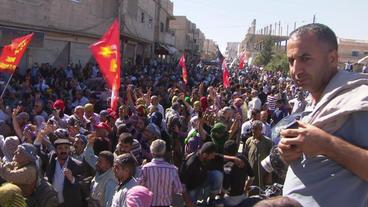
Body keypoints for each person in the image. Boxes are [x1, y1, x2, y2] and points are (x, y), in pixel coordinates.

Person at [279, 23, 368, 206]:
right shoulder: (314, 104)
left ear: (332, 58)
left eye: (305, 58)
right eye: (291, 61)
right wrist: (289, 152)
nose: (296, 70)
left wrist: (327, 144)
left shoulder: (359, 100)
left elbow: (322, 144)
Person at [139, 139, 194, 207]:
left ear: (151, 152)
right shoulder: (172, 169)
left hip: (149, 204)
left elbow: (139, 186)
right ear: (164, 152)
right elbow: (178, 189)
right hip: (165, 204)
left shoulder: (145, 168)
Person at [45, 139, 84, 207]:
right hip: (52, 202)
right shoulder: (51, 162)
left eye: (66, 148)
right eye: (60, 148)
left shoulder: (77, 164)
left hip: (68, 203)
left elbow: (82, 185)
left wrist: (72, 179)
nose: (63, 151)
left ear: (69, 149)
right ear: (56, 150)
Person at [245, 120, 272, 189]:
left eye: (256, 129)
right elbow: (245, 156)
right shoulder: (249, 141)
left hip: (263, 173)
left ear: (261, 129)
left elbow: (271, 160)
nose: (253, 131)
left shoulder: (268, 142)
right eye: (252, 129)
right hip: (251, 173)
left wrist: (269, 175)